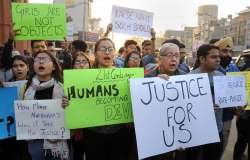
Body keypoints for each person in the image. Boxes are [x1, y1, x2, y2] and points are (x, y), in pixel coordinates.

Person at [83, 38, 131, 160]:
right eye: (103, 49)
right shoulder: (83, 78)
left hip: (119, 133)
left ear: (114, 53)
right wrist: (68, 101)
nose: (107, 52)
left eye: (110, 49)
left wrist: (158, 79)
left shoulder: (125, 76)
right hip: (93, 134)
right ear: (95, 53)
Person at [24, 50, 69, 160]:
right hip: (35, 142)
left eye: (44, 59)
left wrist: (68, 105)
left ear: (54, 67)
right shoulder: (25, 88)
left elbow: (73, 116)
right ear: (33, 66)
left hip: (57, 142)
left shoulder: (64, 88)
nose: (41, 62)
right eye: (37, 59)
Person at [144, 43, 185, 160]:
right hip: (154, 139)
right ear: (159, 58)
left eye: (177, 56)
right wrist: (155, 84)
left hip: (177, 137)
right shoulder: (147, 77)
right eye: (169, 55)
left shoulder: (185, 78)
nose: (174, 59)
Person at [190, 44, 224, 160]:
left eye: (218, 56)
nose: (218, 59)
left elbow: (227, 103)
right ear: (202, 59)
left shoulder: (221, 76)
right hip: (196, 133)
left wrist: (237, 109)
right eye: (213, 57)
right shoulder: (189, 78)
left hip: (217, 131)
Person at [214, 37, 240, 153]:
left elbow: (240, 92)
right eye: (224, 51)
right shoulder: (211, 68)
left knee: (222, 147)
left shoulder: (233, 67)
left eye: (230, 52)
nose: (228, 55)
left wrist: (241, 106)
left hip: (227, 118)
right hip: (213, 118)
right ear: (217, 52)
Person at [70, 52, 91, 160]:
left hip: (94, 129)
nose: (81, 65)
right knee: (77, 154)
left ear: (89, 65)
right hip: (76, 130)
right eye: (77, 62)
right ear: (73, 66)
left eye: (84, 62)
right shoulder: (66, 83)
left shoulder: (97, 81)